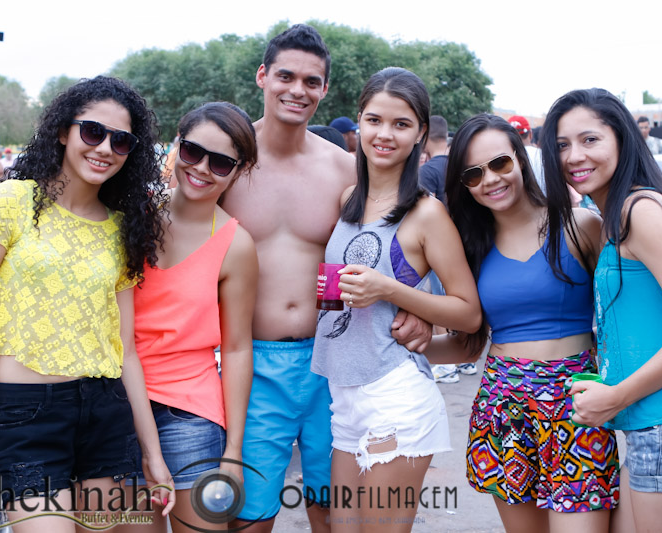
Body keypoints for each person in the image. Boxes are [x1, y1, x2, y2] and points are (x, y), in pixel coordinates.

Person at [221, 24, 432, 533]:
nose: (297, 90)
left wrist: (418, 306)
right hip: (253, 362)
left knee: (335, 514)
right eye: (286, 76)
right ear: (262, 76)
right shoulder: (225, 162)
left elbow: (401, 241)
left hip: (333, 361)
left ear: (324, 89)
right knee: (249, 516)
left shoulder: (346, 170)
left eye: (311, 81)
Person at [0, 76, 175, 532]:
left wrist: (153, 453)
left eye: (121, 140)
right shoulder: (12, 201)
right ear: (62, 132)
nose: (105, 147)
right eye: (93, 131)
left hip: (105, 413)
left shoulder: (122, 228)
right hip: (25, 417)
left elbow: (125, 350)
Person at [542, 87, 662, 533]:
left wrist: (617, 396)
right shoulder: (617, 213)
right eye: (562, 145)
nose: (574, 156)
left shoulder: (638, 211)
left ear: (622, 139)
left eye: (590, 139)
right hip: (657, 427)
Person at [312, 67, 481, 532]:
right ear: (360, 122)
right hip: (343, 395)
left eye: (401, 124)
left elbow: (468, 313)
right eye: (374, 120)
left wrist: (390, 290)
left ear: (420, 133)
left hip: (394, 396)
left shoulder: (426, 213)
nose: (384, 134)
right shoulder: (349, 199)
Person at [436, 113, 619, 533]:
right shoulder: (470, 247)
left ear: (520, 158)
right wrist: (406, 344)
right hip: (504, 410)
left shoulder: (580, 226)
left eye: (500, 163)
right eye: (473, 173)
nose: (490, 180)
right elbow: (467, 345)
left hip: (575, 408)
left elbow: (621, 315)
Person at [124, 102, 258, 533]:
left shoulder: (236, 245)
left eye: (220, 162)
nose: (201, 168)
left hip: (190, 415)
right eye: (193, 151)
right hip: (117, 404)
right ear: (176, 145)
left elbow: (236, 348)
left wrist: (233, 451)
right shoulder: (132, 215)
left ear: (239, 170)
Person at [418, 115, 449, 204]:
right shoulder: (462, 162)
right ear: (446, 135)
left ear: (424, 136)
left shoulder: (427, 171)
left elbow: (428, 207)